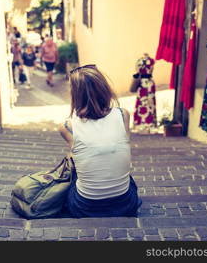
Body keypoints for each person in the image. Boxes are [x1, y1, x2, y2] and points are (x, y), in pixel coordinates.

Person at [58, 64, 141, 218]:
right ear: (104, 89)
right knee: (125, 175)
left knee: (74, 165)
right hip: (126, 205)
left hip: (84, 208)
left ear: (75, 95)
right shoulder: (123, 115)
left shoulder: (67, 126)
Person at [133, 53, 157, 134]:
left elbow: (136, 70)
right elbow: (151, 71)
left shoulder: (139, 61)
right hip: (149, 83)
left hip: (141, 83)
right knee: (150, 104)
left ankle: (140, 124)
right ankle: (149, 124)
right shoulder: (151, 61)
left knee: (141, 103)